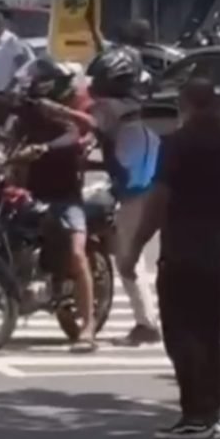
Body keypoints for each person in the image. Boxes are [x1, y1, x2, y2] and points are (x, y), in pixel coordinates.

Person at [134, 77, 220, 439]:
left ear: (184, 105)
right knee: (212, 328)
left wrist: (135, 244)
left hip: (184, 249)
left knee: (182, 331)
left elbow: (158, 200)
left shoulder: (177, 145)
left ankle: (195, 414)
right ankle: (212, 410)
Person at [0, 57, 97, 352]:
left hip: (65, 198)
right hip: (28, 193)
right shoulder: (26, 116)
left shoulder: (62, 117)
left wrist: (43, 148)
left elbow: (73, 136)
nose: (28, 89)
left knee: (76, 253)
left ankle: (88, 327)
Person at [39, 47, 161, 346]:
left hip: (136, 192)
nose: (93, 84)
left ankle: (147, 325)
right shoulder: (139, 105)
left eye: (100, 77)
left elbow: (92, 126)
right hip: (150, 187)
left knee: (128, 261)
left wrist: (59, 111)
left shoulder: (108, 108)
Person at [0, 10, 29, 125]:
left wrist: (12, 85)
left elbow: (22, 64)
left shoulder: (11, 40)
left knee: (1, 124)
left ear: (1, 23)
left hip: (5, 91)